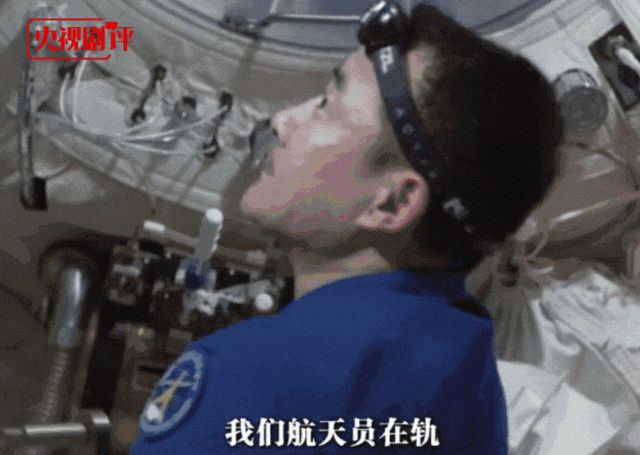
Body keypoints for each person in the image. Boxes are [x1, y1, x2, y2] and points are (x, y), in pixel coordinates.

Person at [130, 1, 563, 453]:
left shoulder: (250, 378)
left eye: (325, 106)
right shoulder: (470, 376)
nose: (282, 121)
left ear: (391, 203)